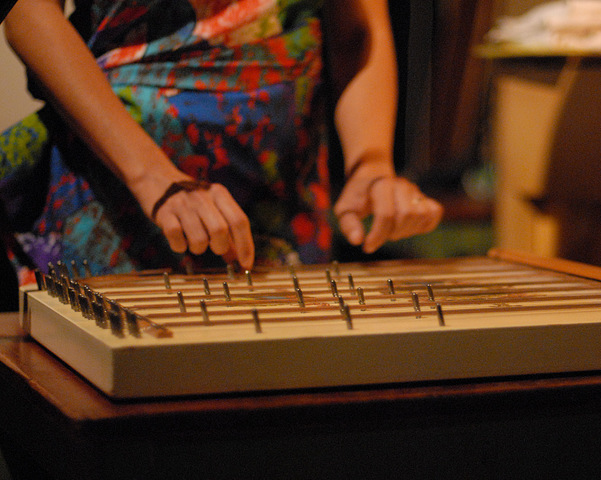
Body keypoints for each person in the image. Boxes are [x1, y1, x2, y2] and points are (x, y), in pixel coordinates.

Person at [0, 0, 443, 283]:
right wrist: (152, 177)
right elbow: (28, 11)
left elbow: (356, 31)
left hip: (284, 194)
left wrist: (372, 164)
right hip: (118, 190)